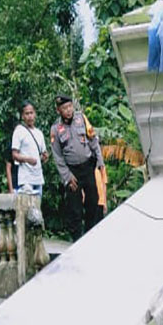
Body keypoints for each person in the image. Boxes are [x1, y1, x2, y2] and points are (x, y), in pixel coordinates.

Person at [49, 94, 105, 240]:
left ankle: (90, 234)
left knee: (93, 201)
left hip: (87, 167)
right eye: (64, 108)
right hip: (72, 171)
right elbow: (57, 156)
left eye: (69, 107)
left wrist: (100, 162)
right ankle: (77, 238)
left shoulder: (81, 119)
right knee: (75, 208)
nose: (68, 110)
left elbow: (93, 140)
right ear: (58, 111)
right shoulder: (56, 129)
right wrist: (67, 177)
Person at [11, 101, 49, 196]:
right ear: (22, 116)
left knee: (37, 209)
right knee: (26, 208)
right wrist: (27, 159)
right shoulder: (19, 131)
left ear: (35, 113)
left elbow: (42, 155)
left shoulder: (39, 133)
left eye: (31, 113)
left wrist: (44, 157)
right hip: (25, 179)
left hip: (38, 178)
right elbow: (14, 154)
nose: (30, 116)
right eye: (27, 114)